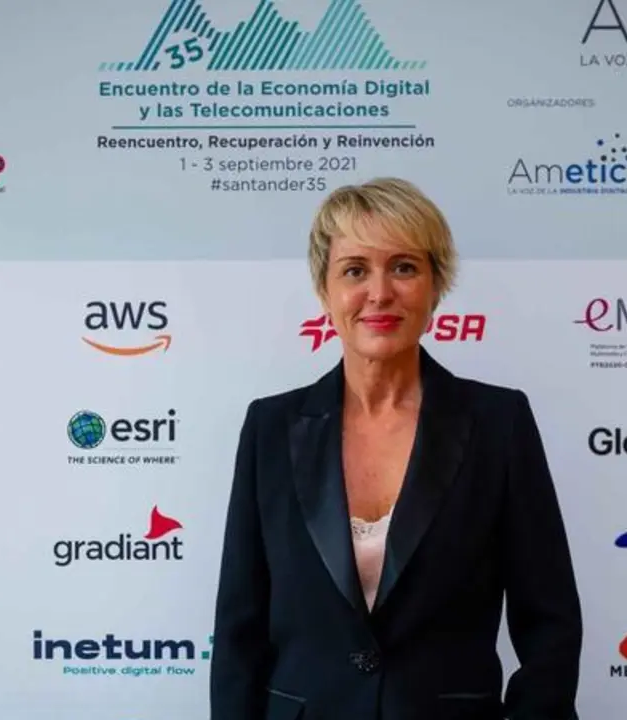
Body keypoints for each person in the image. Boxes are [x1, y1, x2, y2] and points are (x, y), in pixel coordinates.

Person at [210, 177, 582, 720]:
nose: (380, 293)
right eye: (354, 270)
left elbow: (550, 623)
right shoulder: (269, 428)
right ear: (325, 290)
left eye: (404, 267)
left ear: (436, 286)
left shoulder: (499, 424)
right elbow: (238, 631)